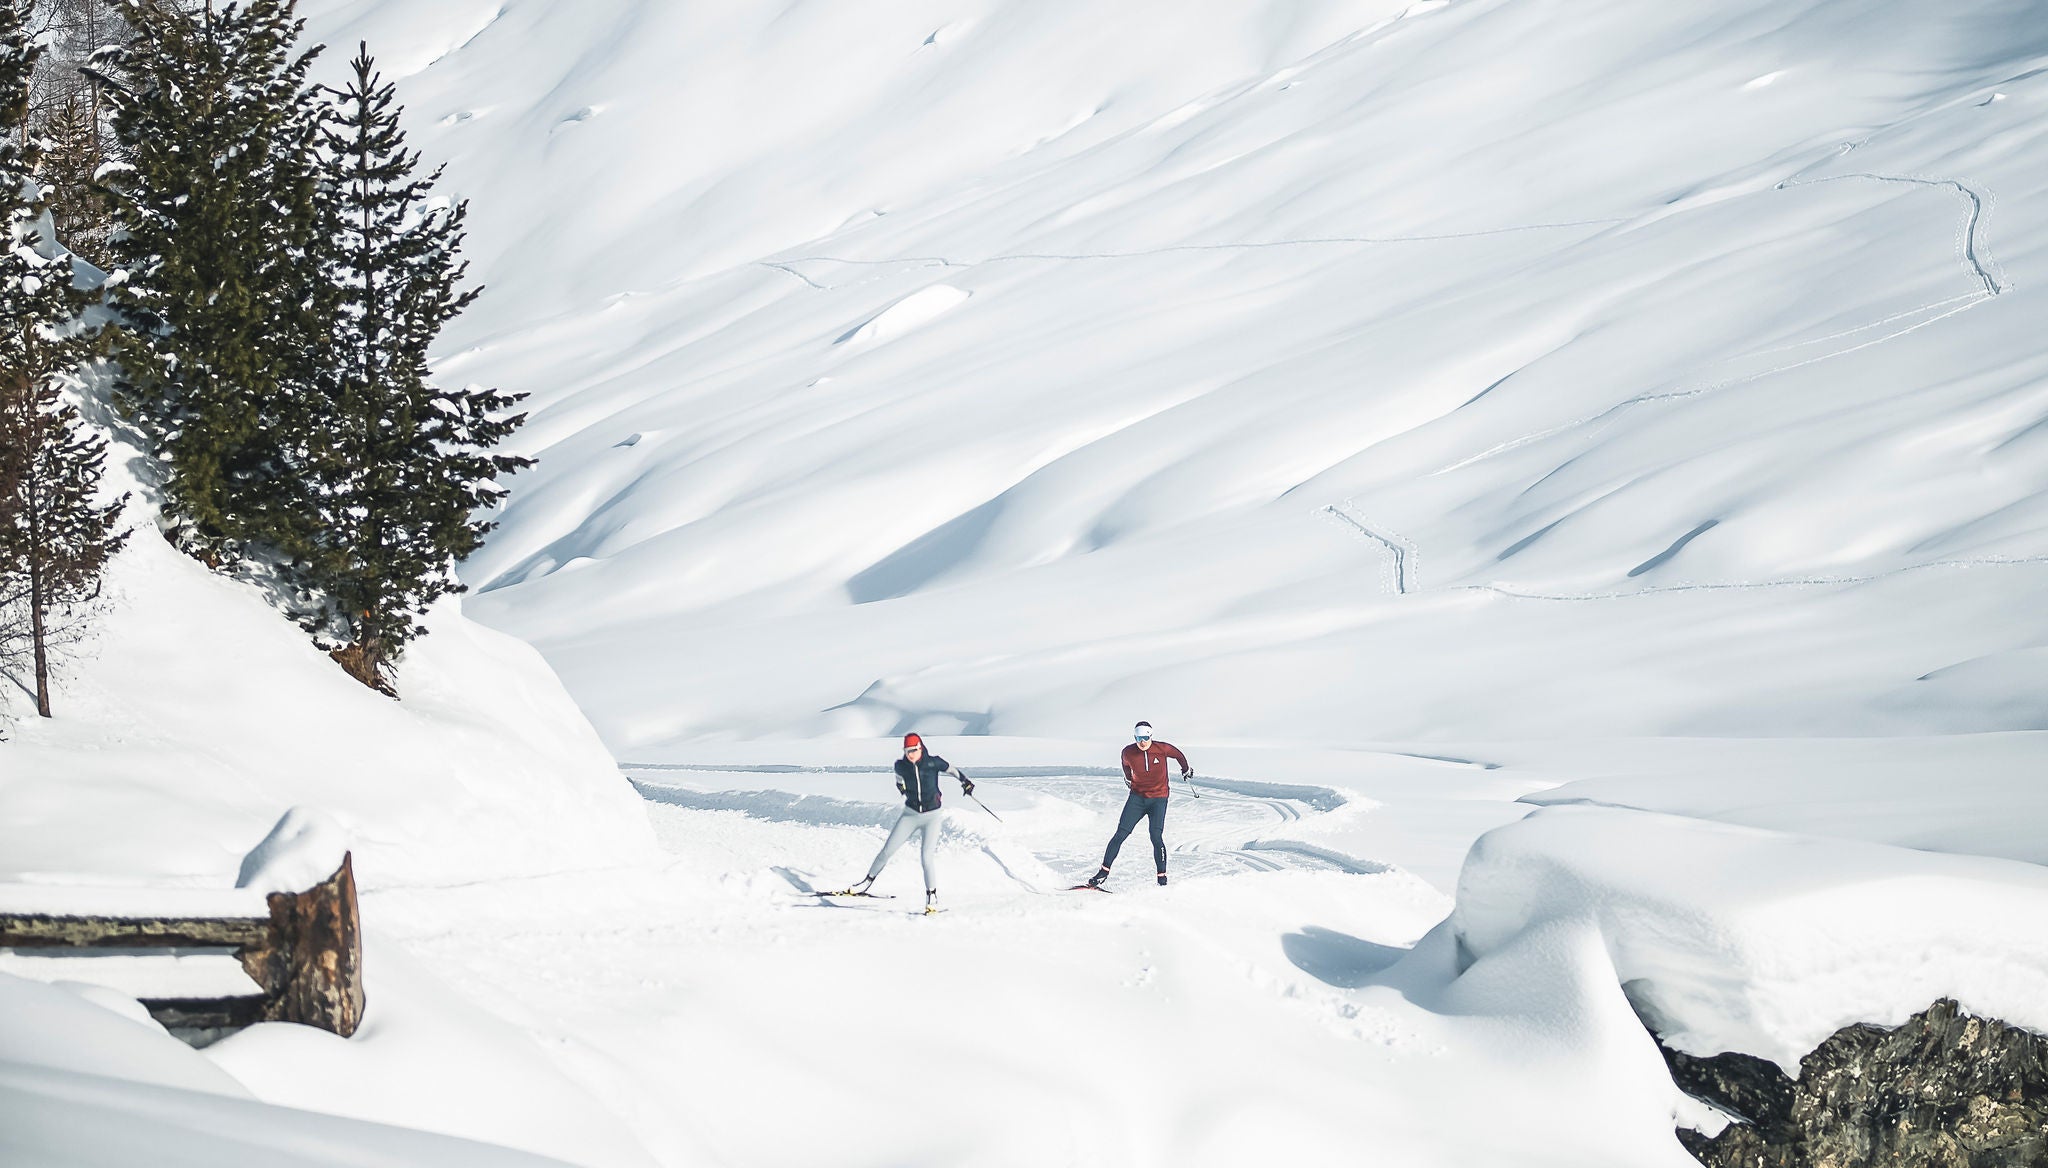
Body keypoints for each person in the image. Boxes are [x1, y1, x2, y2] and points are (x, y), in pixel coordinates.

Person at [842, 733, 973, 913]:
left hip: (932, 816)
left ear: (920, 748)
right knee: (887, 850)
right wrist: (903, 789)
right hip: (910, 815)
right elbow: (899, 781)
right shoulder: (900, 766)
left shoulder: (933, 762)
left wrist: (965, 782)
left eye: (913, 750)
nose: (910, 754)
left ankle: (931, 896)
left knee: (926, 857)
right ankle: (866, 882)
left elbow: (952, 770)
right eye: (906, 751)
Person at [1084, 721, 1191, 889]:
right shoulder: (1128, 752)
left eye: (1145, 738)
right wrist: (1128, 778)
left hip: (1159, 799)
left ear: (1151, 736)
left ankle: (1162, 878)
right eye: (1139, 738)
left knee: (1156, 837)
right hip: (1137, 799)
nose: (1142, 742)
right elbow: (1125, 765)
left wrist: (1185, 769)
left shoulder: (1161, 748)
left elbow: (1178, 754)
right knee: (1120, 834)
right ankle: (1103, 873)